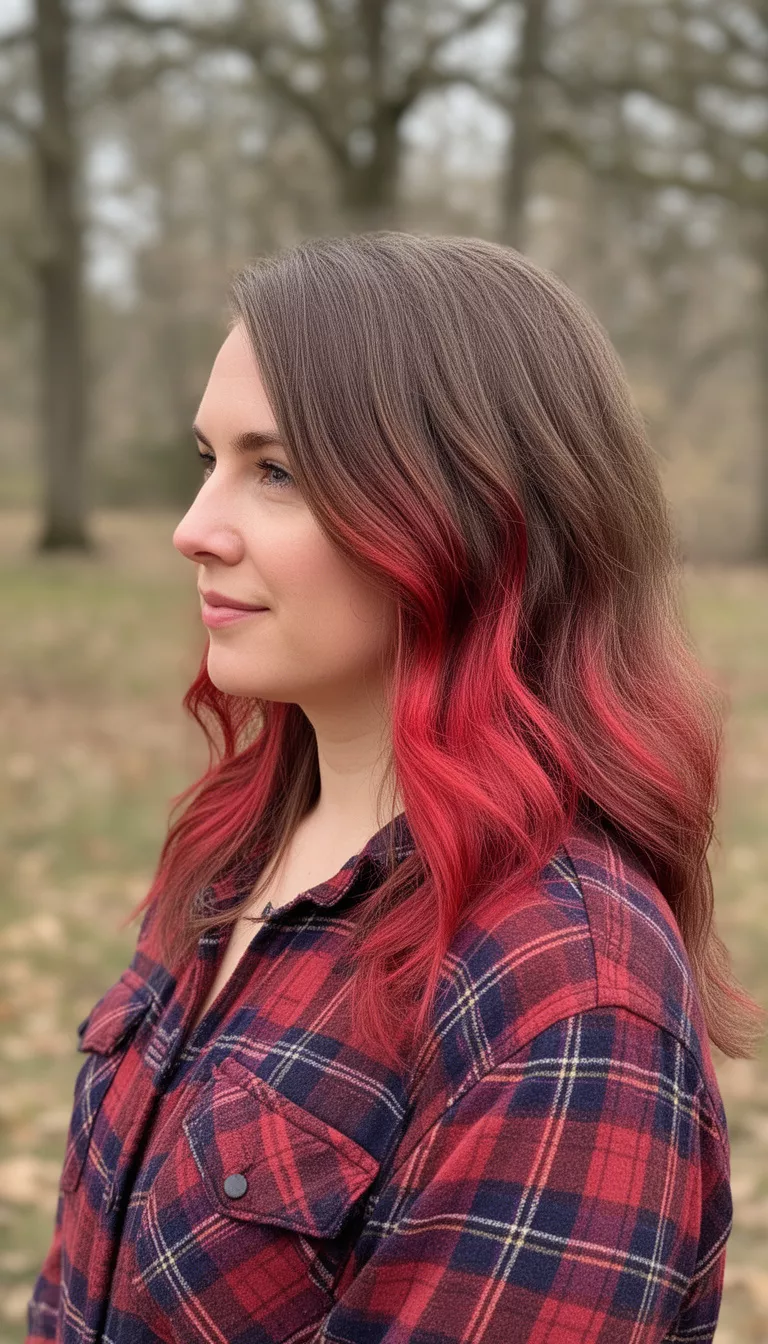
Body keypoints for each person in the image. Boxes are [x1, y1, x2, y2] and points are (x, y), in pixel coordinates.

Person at [26, 231, 760, 1344]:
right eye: (206, 460)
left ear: (470, 515)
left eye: (275, 472)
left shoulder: (563, 993)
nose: (193, 530)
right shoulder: (244, 842)